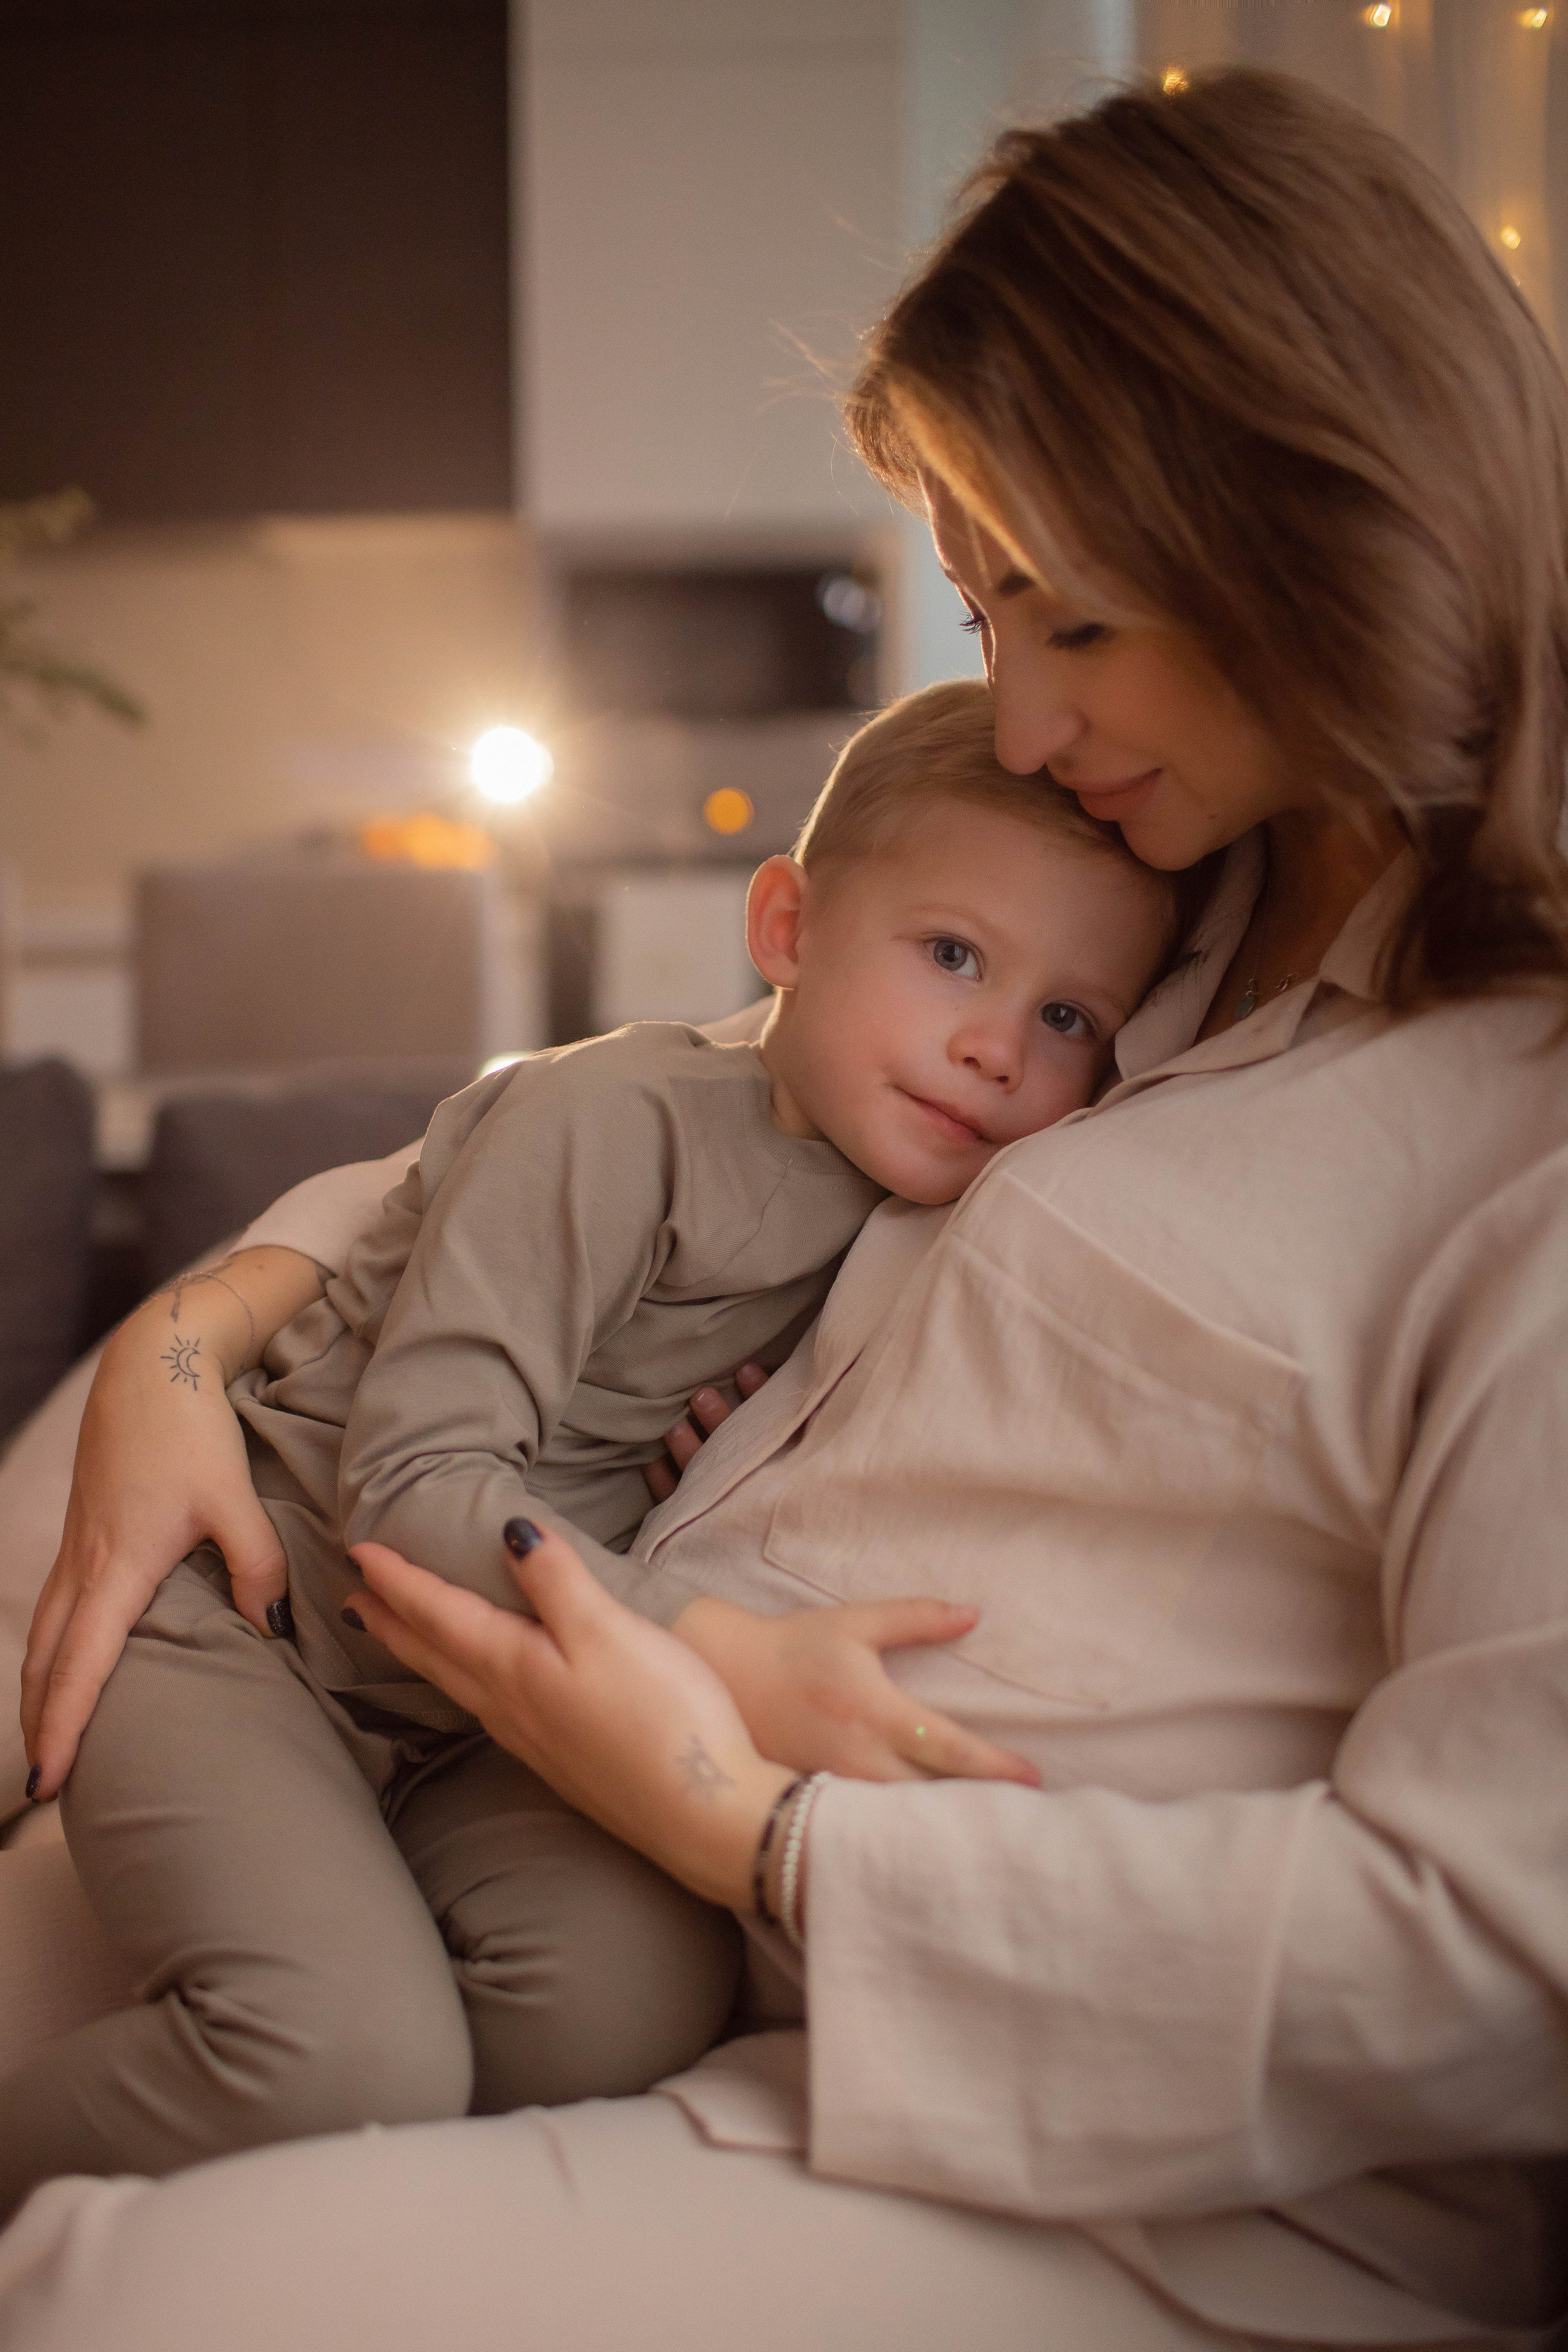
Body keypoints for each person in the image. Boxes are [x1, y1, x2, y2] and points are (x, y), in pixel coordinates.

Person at [6, 64, 1568, 2350]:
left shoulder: (1512, 1134)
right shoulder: (1163, 899)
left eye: (1069, 622)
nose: (1020, 726)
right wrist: (193, 1338)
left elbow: (1499, 1948)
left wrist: (752, 1819)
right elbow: (630, 1131)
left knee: (105, 2295)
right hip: (501, 1772)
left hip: (1033, 2127)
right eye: (982, 617)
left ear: (1307, 526)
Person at [0, 682, 1182, 2211]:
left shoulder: (924, 1228)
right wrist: (717, 1656)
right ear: (786, 929)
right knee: (343, 2057)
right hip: (259, 1621)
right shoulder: (613, 1116)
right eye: (952, 954)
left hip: (474, 1708)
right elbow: (413, 1479)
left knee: (615, 2004)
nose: (992, 1048)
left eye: (1066, 1018)